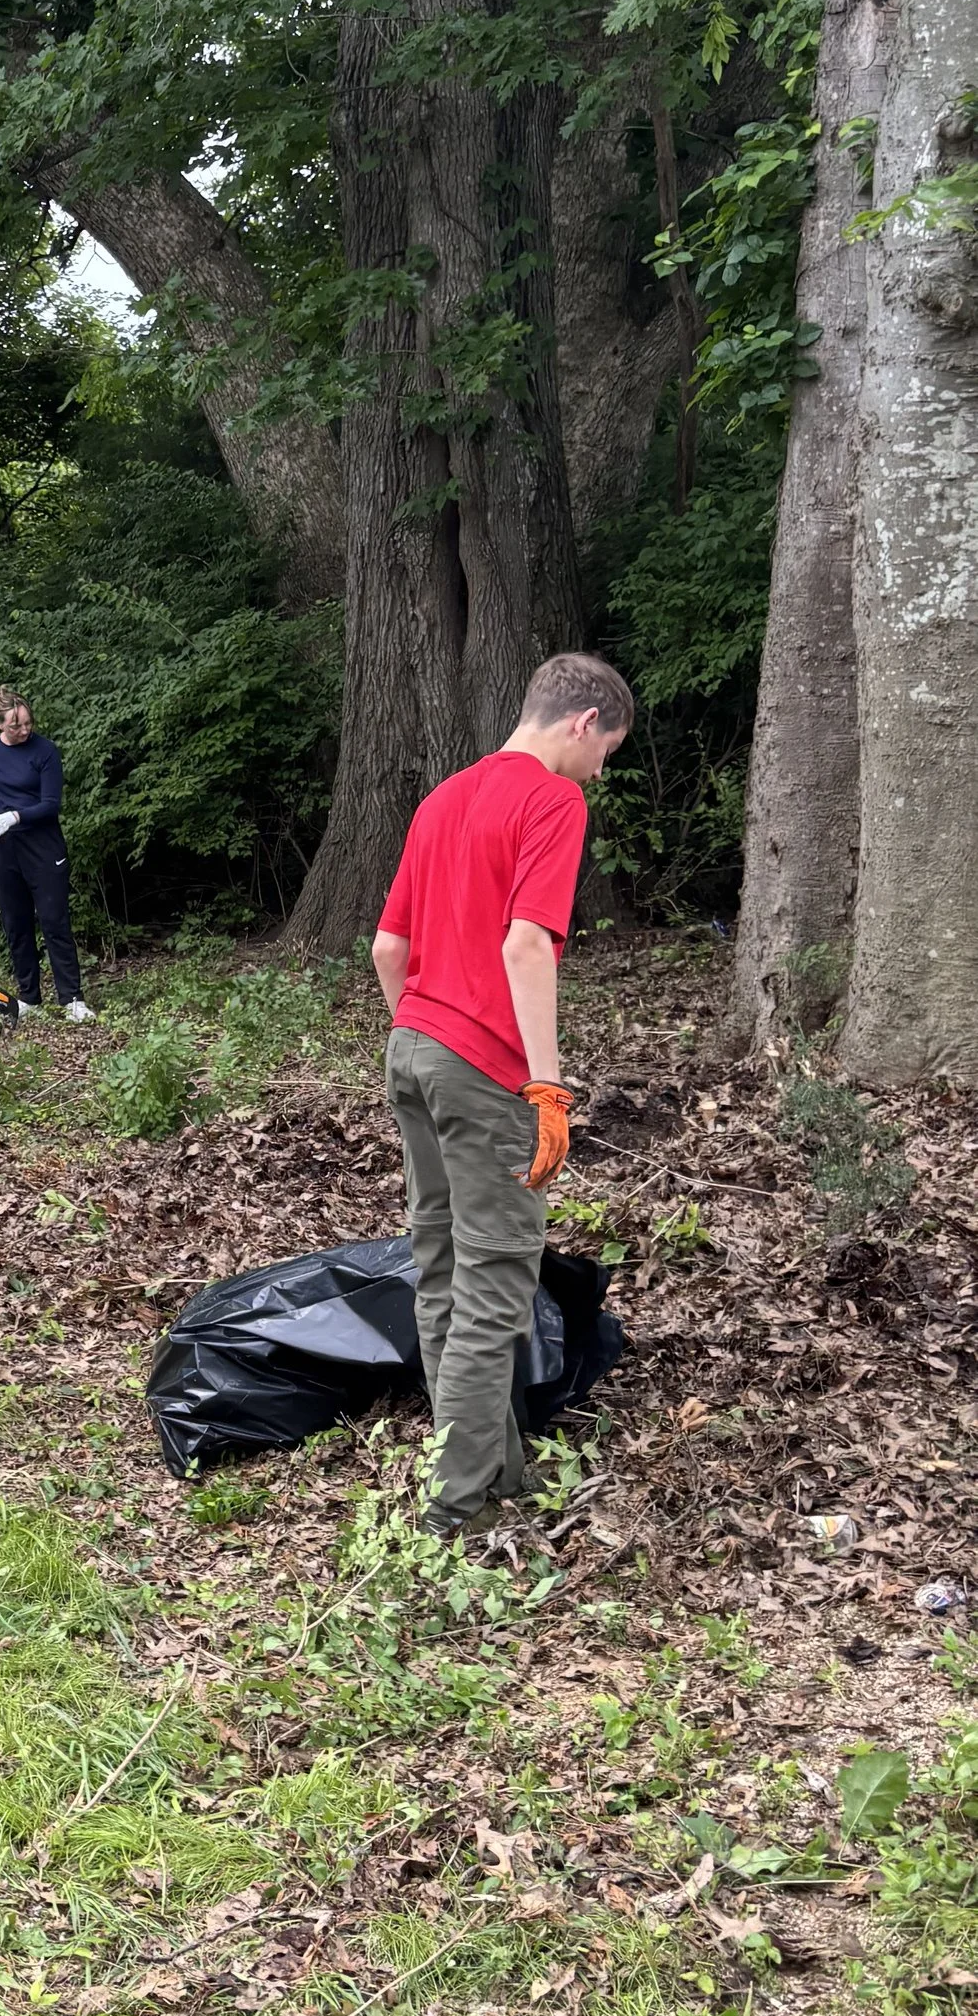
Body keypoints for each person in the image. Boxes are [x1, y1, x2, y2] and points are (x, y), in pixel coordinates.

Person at [370, 652, 635, 1539]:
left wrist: (422, 1035)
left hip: (411, 1048)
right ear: (583, 722)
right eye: (607, 752)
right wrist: (546, 1084)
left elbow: (387, 950)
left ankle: (491, 1463)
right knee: (495, 1279)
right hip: (482, 1067)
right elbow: (527, 945)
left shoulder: (442, 798)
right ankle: (458, 1505)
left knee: (443, 1266)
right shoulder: (554, 800)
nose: (601, 772)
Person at [0, 687, 92, 1022]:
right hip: (5, 849)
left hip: (43, 846)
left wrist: (14, 816)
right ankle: (29, 997)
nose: (24, 730)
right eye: (15, 726)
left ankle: (71, 999)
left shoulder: (45, 751)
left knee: (54, 921)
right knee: (16, 923)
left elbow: (50, 804)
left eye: (27, 723)